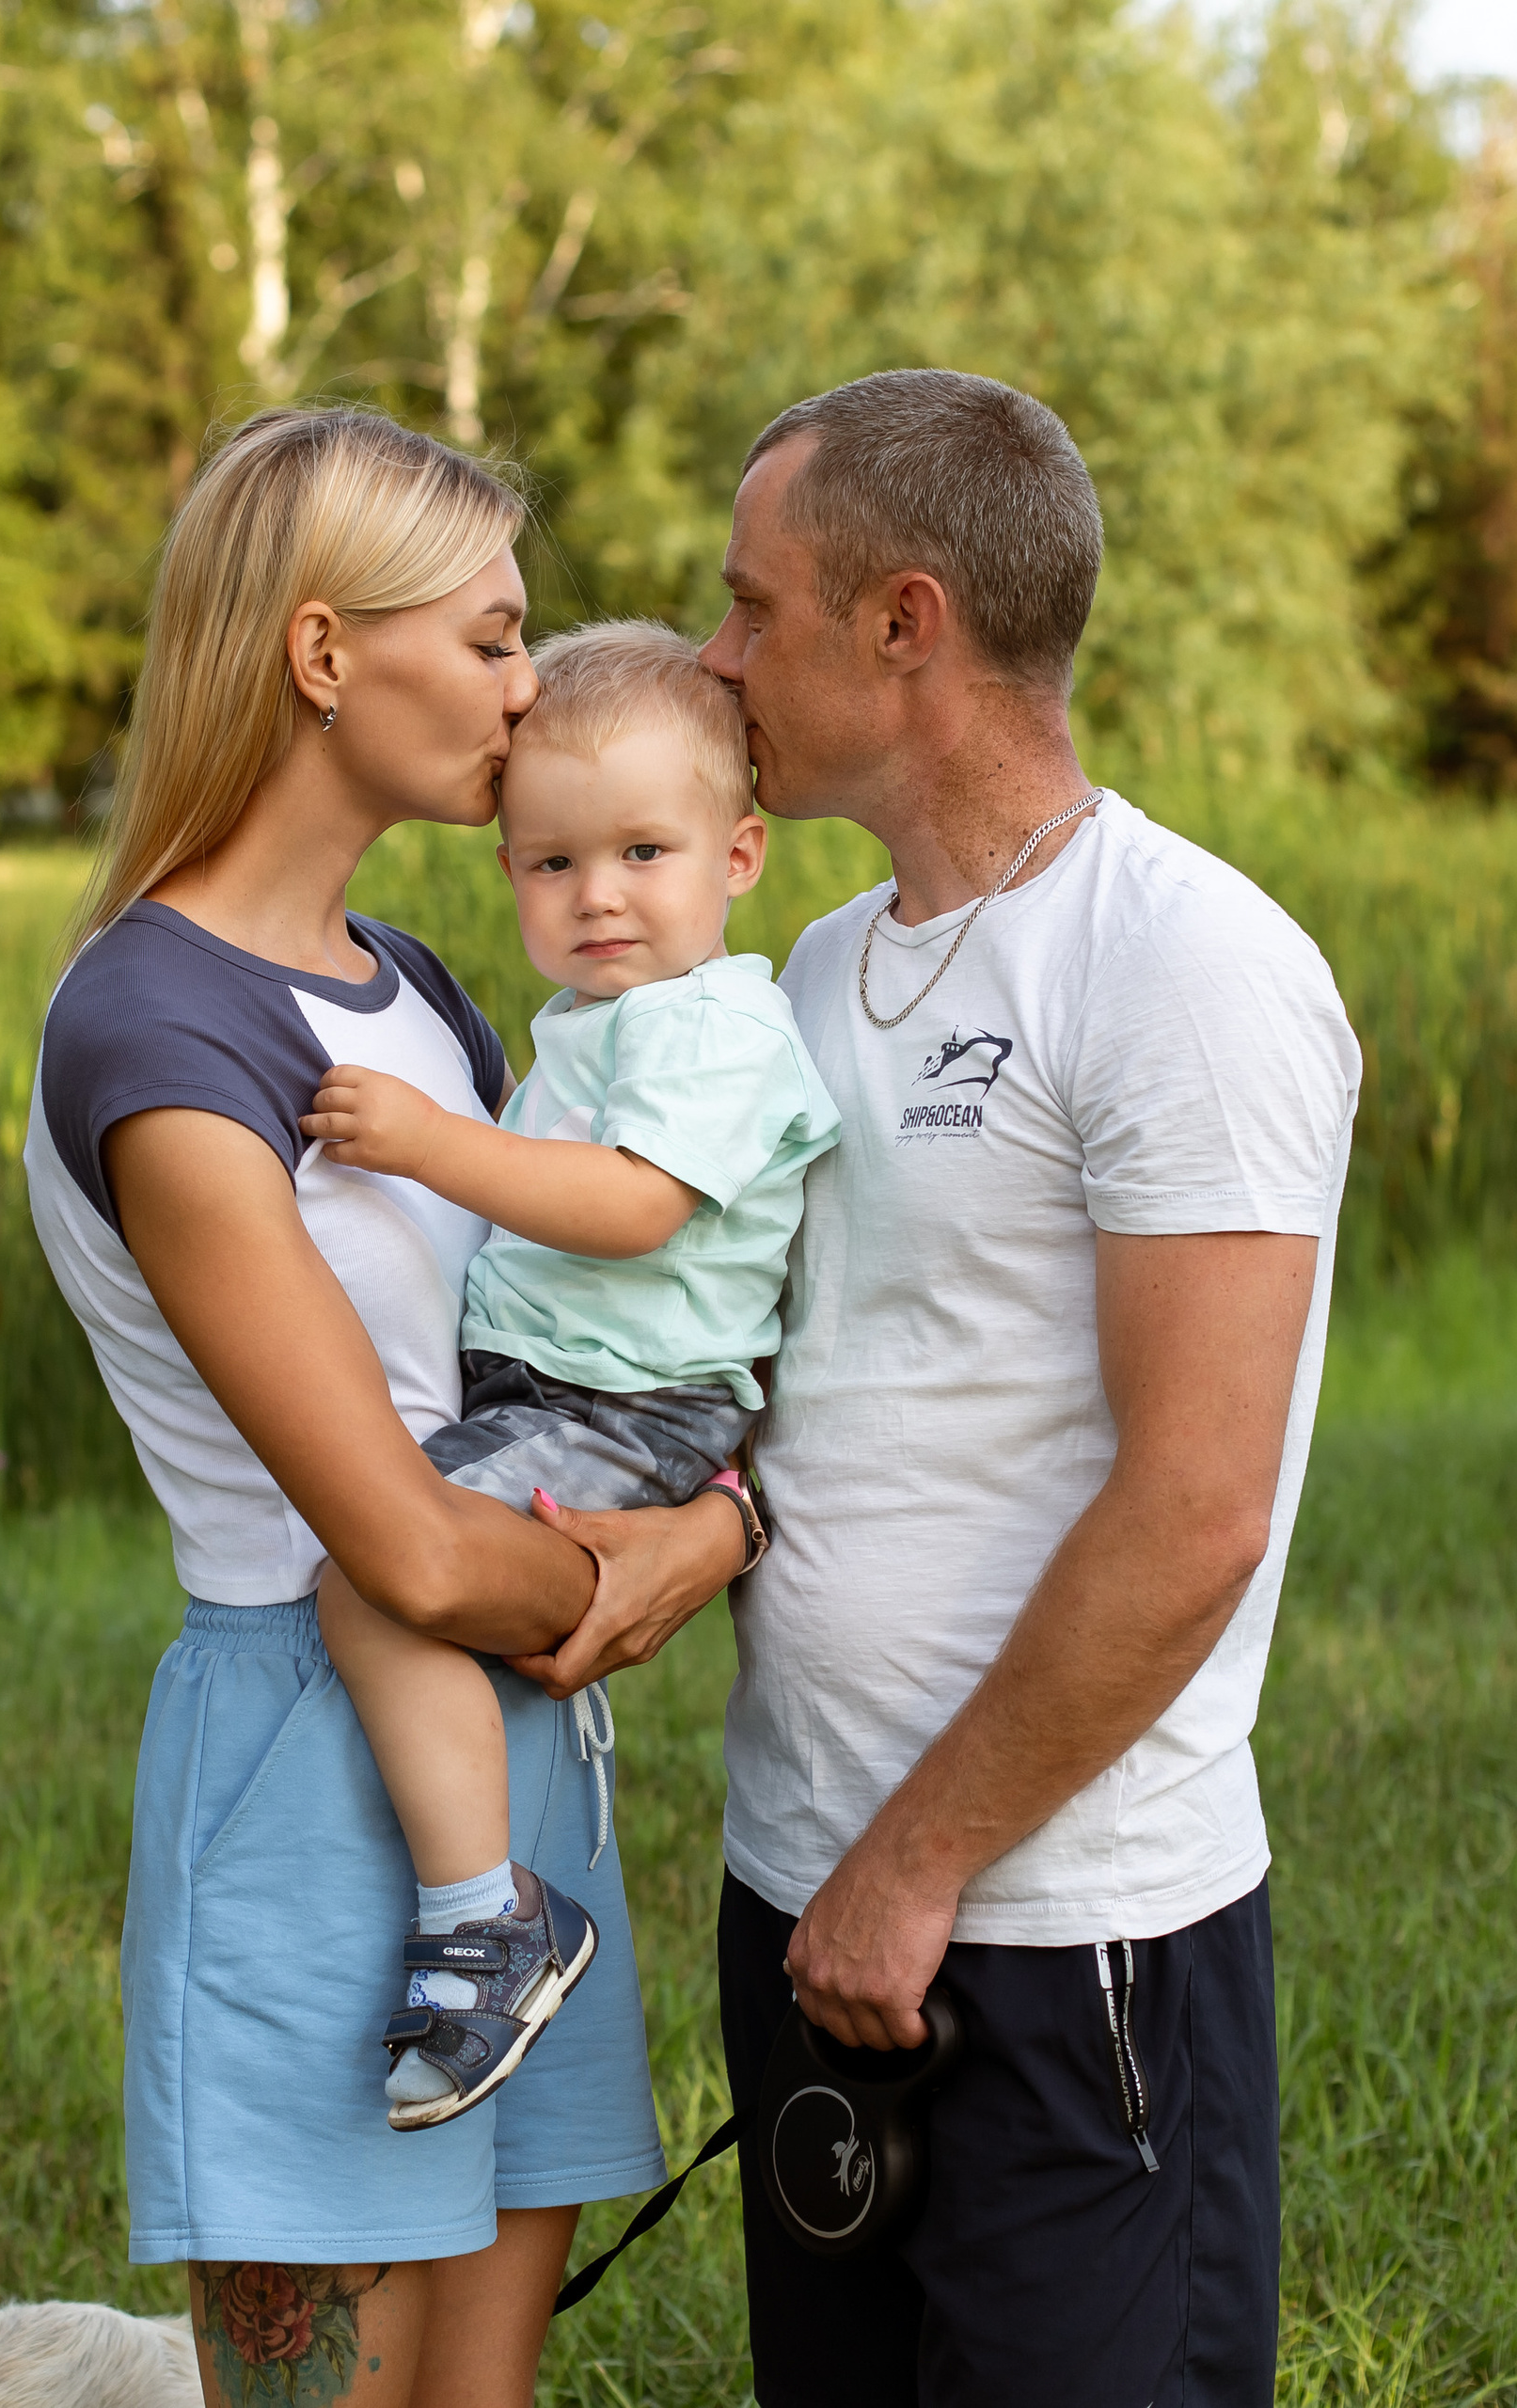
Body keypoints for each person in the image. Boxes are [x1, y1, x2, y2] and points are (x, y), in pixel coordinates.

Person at [543, 366, 1360, 2401]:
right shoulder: (810, 973)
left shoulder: (1184, 964)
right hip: (799, 1891)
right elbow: (812, 1375)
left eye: (752, 606)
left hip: (1061, 1932)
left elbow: (1197, 1511)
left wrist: (914, 1867)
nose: (717, 660)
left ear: (903, 623)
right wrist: (701, 1528)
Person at [23, 407, 751, 2408]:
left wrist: (714, 1522)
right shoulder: (158, 1027)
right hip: (311, 1758)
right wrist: (659, 1565)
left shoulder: (421, 988)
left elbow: (616, 1327)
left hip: (519, 1756)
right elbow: (406, 1549)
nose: (529, 691)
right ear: (325, 653)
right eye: (493, 638)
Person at [299, 622, 840, 2129]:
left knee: (376, 1573)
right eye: (553, 864)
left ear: (738, 856)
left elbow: (632, 1204)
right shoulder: (614, 1021)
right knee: (396, 1566)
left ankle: (488, 1918)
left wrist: (430, 1142)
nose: (598, 894)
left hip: (628, 1408)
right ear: (509, 872)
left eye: (643, 852)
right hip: (565, 1393)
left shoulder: (713, 1025)